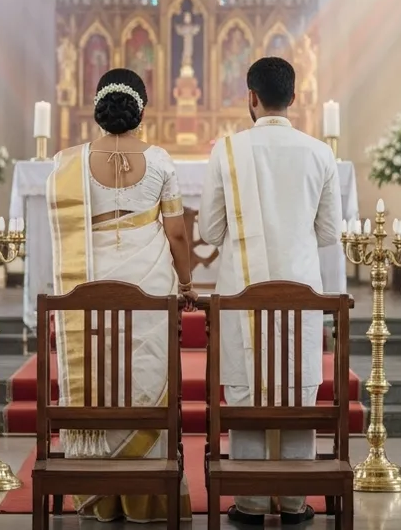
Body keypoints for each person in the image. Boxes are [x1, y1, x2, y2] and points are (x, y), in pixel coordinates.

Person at [45, 68, 196, 523]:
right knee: (144, 370)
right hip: (147, 282)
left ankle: (99, 491)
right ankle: (145, 495)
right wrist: (187, 285)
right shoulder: (162, 160)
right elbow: (177, 235)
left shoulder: (68, 162)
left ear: (98, 107)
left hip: (88, 282)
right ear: (141, 109)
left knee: (101, 371)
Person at [199, 56, 343, 526]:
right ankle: (296, 500)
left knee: (245, 387)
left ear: (251, 98)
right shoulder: (320, 153)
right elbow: (327, 233)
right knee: (298, 386)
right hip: (301, 291)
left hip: (242, 289)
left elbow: (211, 229)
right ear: (294, 97)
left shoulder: (228, 150)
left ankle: (252, 499)